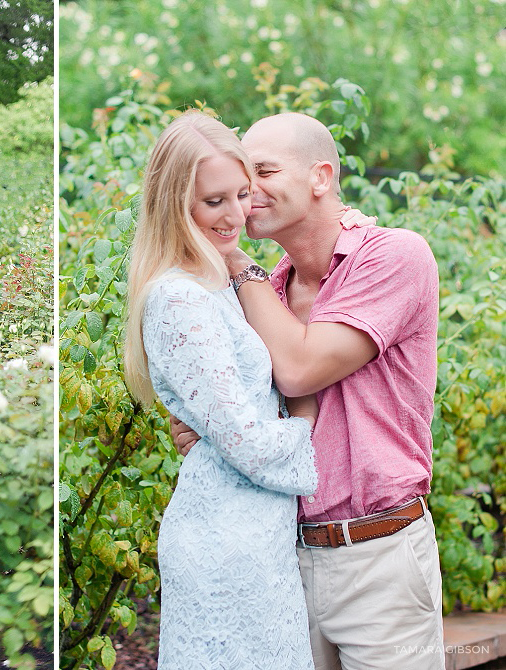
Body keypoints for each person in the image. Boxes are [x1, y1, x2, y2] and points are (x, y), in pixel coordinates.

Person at [172, 112, 443, 669]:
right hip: (281, 561)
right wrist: (211, 425)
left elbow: (299, 370)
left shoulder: (394, 256)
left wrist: (234, 258)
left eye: (264, 171)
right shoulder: (268, 288)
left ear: (321, 177)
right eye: (244, 178)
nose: (248, 195)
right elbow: (239, 410)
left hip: (379, 558)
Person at [123, 110, 320, 668]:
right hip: (226, 543)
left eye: (242, 194)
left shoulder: (216, 282)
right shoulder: (180, 298)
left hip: (251, 536)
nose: (236, 214)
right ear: (174, 202)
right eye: (215, 202)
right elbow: (249, 442)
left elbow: (229, 414)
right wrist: (302, 417)